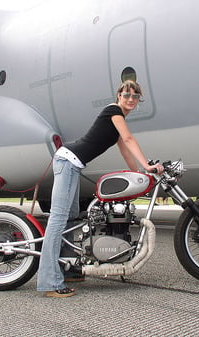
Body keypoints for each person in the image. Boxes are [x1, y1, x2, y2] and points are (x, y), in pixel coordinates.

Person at [36, 80, 164, 298]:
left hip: (71, 163)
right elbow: (128, 138)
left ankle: (68, 270)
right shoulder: (114, 112)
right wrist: (147, 166)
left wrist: (141, 176)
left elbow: (125, 151)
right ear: (118, 96)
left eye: (135, 96)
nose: (130, 99)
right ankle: (49, 281)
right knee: (58, 219)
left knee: (71, 217)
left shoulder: (116, 121)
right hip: (67, 161)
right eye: (126, 95)